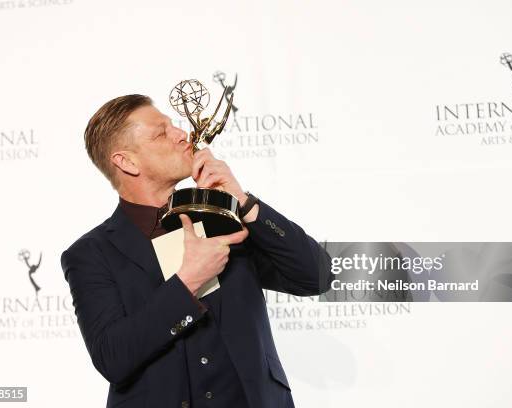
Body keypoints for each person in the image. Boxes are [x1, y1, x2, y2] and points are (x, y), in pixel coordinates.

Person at [60, 94, 332, 408]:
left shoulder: (225, 221)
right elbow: (112, 358)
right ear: (126, 162)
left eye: (174, 125)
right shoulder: (91, 253)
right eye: (161, 133)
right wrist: (187, 281)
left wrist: (243, 202)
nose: (181, 134)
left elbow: (318, 276)